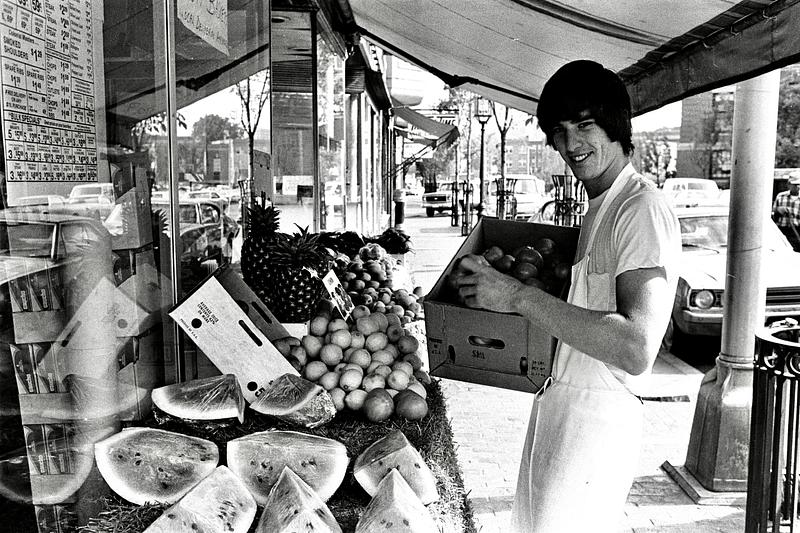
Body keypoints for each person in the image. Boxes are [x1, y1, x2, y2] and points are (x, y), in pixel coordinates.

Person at [454, 60, 681, 532]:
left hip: (596, 426)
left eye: (585, 125)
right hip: (561, 410)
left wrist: (517, 296)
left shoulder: (640, 208)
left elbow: (636, 347)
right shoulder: (601, 204)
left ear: (616, 124)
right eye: (559, 131)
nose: (571, 144)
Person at [772, 172, 800, 251]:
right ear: (789, 185)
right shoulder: (781, 196)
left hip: (796, 233)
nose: (797, 186)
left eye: (799, 184)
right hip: (781, 232)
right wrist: (777, 210)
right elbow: (772, 214)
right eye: (795, 184)